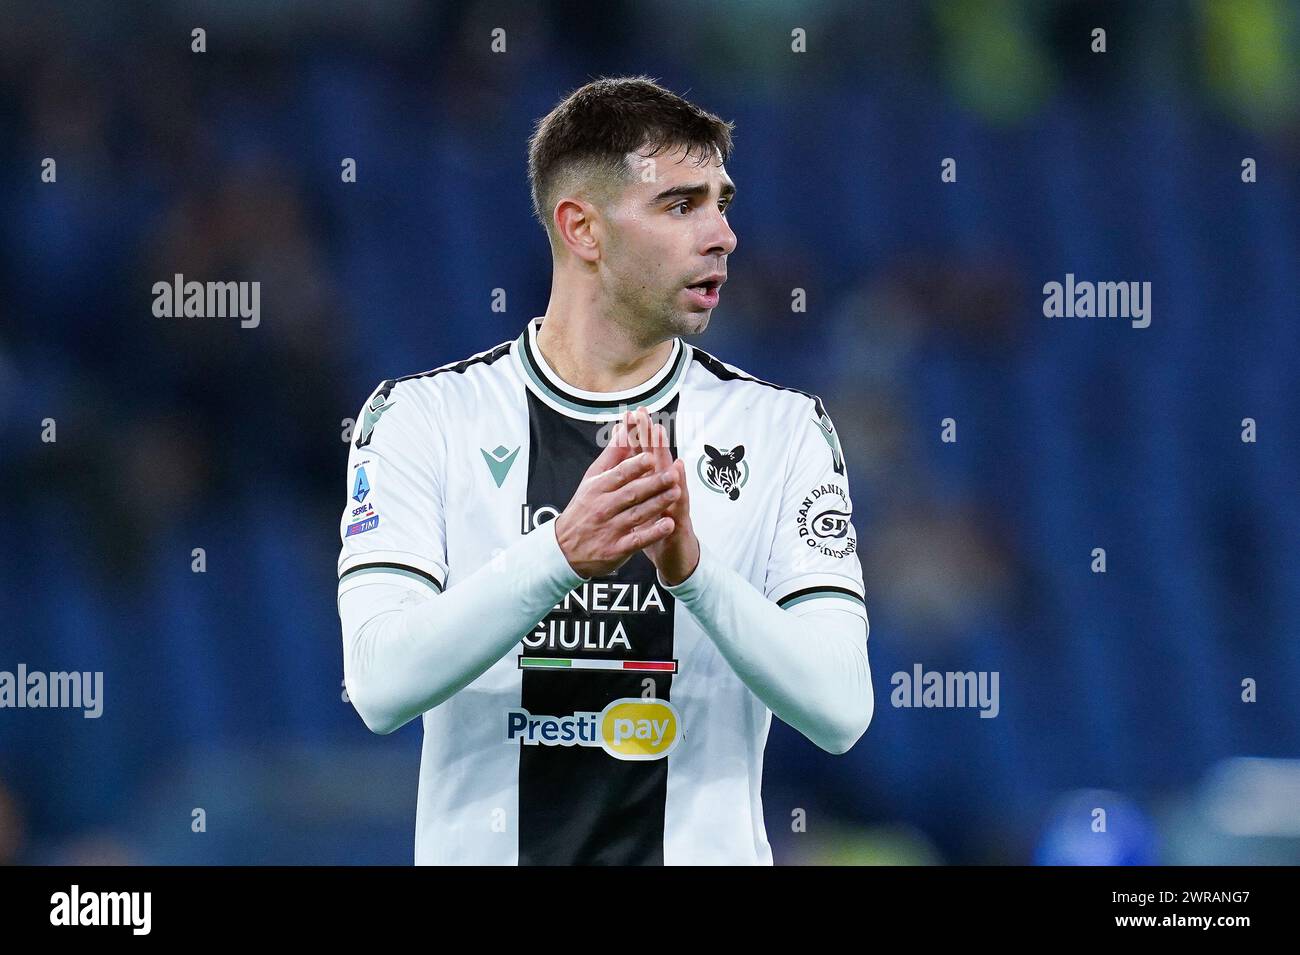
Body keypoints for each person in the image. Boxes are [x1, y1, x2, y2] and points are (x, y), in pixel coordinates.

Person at [337, 76, 873, 865]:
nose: (723, 234)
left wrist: (693, 573)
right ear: (582, 229)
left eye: (724, 203)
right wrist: (560, 554)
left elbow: (840, 708)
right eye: (682, 205)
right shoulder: (425, 418)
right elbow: (380, 686)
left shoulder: (782, 429)